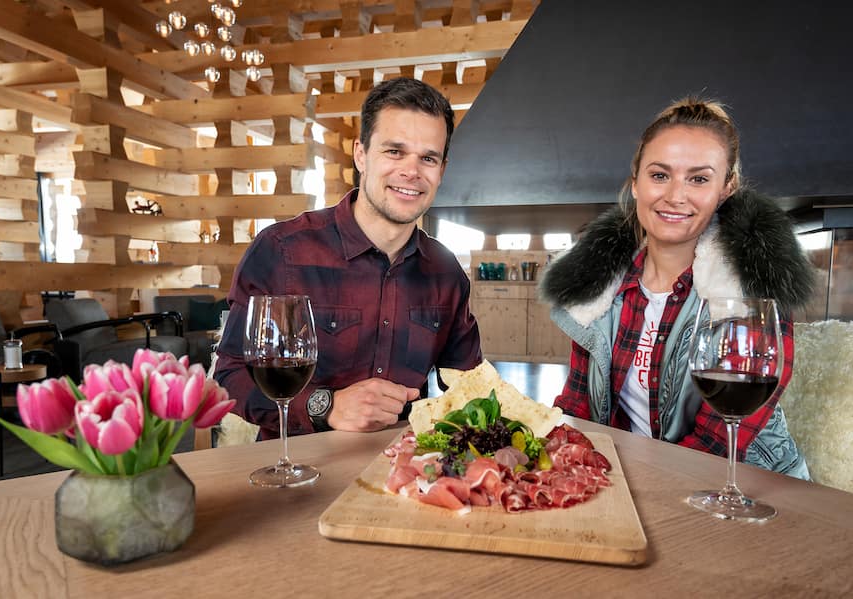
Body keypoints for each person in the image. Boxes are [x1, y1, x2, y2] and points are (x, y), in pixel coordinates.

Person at [540, 98, 814, 478]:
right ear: (635, 182)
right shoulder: (599, 290)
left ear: (726, 188)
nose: (675, 195)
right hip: (639, 481)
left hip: (744, 485)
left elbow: (717, 443)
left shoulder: (750, 287)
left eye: (699, 179)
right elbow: (577, 409)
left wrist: (630, 485)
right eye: (659, 175)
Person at [214, 77, 482, 439]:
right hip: (296, 475)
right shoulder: (282, 251)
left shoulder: (446, 273)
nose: (412, 172)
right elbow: (231, 376)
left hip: (403, 478)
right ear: (361, 154)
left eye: (428, 158)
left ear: (442, 170)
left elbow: (469, 387)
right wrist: (326, 406)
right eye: (394, 151)